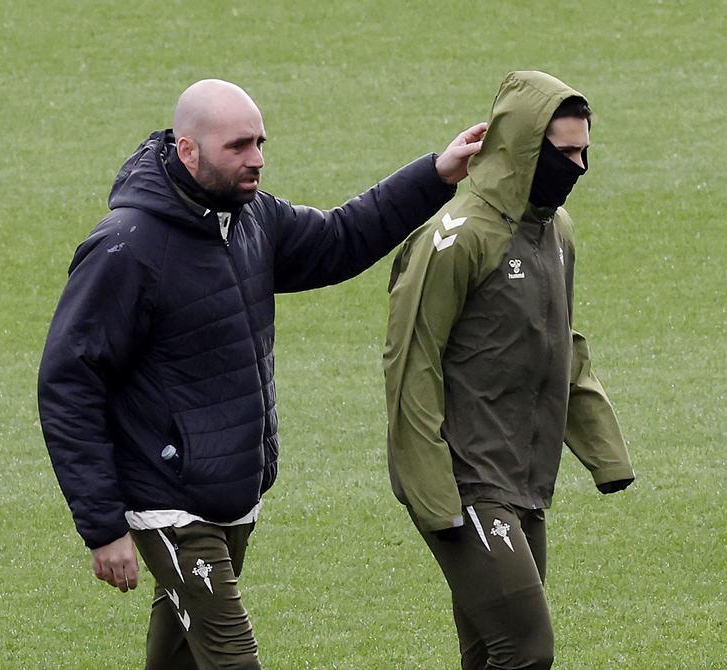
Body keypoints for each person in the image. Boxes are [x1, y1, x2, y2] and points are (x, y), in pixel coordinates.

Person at [37, 78, 486, 669]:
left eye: (260, 142)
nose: (258, 159)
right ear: (188, 151)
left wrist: (437, 174)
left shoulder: (249, 219)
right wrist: (102, 528)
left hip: (230, 489)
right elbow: (68, 384)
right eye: (239, 146)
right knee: (231, 657)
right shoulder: (128, 247)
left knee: (181, 658)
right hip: (167, 498)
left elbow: (340, 240)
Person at [382, 71, 635, 669]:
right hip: (465, 479)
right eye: (567, 152)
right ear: (526, 146)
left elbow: (562, 341)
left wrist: (604, 452)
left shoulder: (555, 232)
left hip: (524, 477)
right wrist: (431, 491)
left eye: (585, 151)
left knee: (489, 651)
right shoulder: (457, 239)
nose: (580, 167)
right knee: (525, 650)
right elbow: (409, 362)